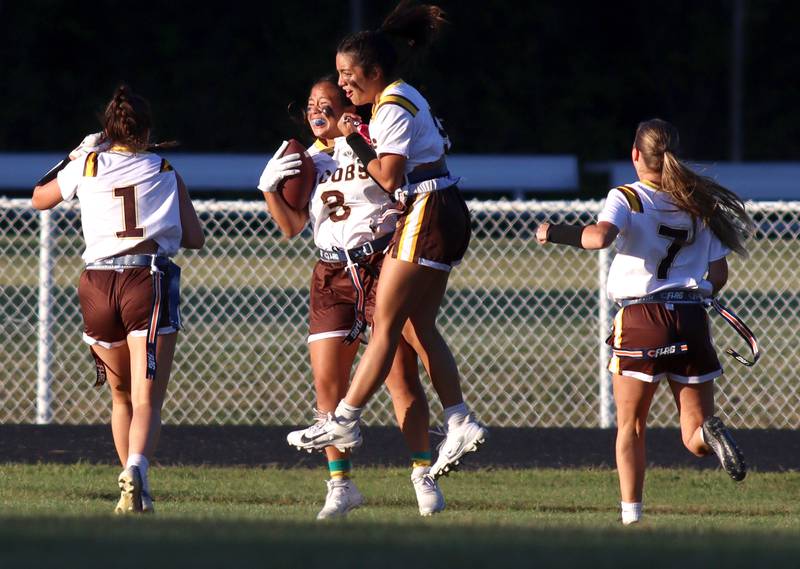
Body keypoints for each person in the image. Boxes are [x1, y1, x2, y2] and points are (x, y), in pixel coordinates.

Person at [286, 0, 488, 480]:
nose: (342, 85)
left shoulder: (393, 104)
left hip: (429, 207)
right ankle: (459, 419)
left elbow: (389, 177)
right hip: (442, 207)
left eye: (349, 75)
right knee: (420, 325)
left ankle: (344, 421)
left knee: (385, 323)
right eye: (338, 74)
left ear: (375, 71)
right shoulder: (396, 98)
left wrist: (355, 133)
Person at [536, 118, 755, 525]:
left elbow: (599, 237)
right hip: (689, 318)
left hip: (642, 318)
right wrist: (704, 293)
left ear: (635, 154)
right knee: (693, 435)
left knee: (631, 426)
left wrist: (554, 233)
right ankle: (711, 436)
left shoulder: (627, 197)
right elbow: (719, 274)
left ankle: (631, 516)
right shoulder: (698, 201)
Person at [258, 76, 445, 517]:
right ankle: (340, 484)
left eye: (325, 102)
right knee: (328, 383)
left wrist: (358, 139)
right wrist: (268, 189)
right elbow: (290, 226)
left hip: (380, 263)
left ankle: (422, 471)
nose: (315, 110)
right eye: (309, 104)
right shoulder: (307, 160)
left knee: (401, 378)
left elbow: (396, 181)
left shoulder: (369, 139)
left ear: (349, 107)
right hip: (331, 271)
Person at [31, 84, 205, 514]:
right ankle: (138, 472)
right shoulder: (163, 168)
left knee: (120, 396)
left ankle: (132, 485)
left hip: (96, 284)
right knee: (148, 400)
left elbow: (40, 198)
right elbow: (195, 238)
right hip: (146, 281)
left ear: (107, 130)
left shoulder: (87, 163)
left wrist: (73, 155)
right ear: (146, 131)